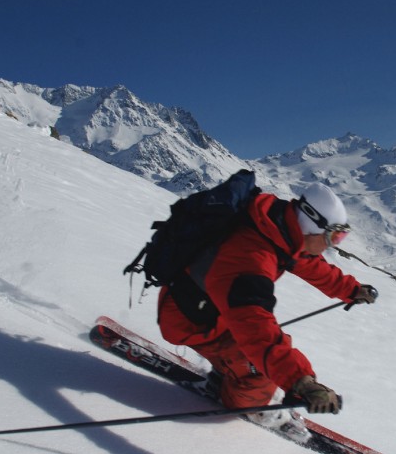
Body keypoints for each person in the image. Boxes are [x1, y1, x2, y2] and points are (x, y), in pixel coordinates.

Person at [156, 182, 377, 434]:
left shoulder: (278, 228)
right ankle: (237, 401)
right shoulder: (249, 257)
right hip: (193, 320)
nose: (333, 245)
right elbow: (255, 327)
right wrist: (299, 381)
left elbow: (307, 262)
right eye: (334, 237)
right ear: (312, 228)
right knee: (260, 378)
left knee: (263, 351)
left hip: (214, 309)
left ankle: (228, 370)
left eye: (340, 237)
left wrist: (350, 289)